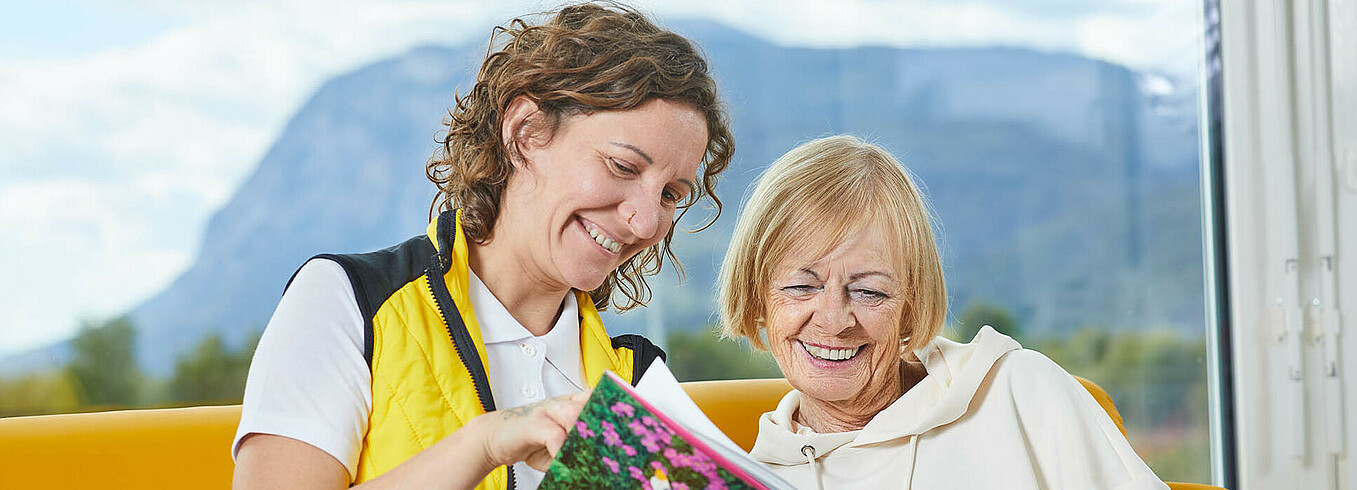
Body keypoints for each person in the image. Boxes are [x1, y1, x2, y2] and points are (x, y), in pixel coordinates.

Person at [232, 4, 734, 489]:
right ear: (525, 133)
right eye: (623, 167)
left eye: (671, 195)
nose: (646, 221)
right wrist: (485, 444)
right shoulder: (347, 303)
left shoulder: (638, 379)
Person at [717, 135, 1167, 489]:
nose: (834, 321)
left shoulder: (1019, 393)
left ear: (911, 305)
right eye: (801, 286)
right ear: (757, 299)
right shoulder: (745, 478)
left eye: (870, 291)